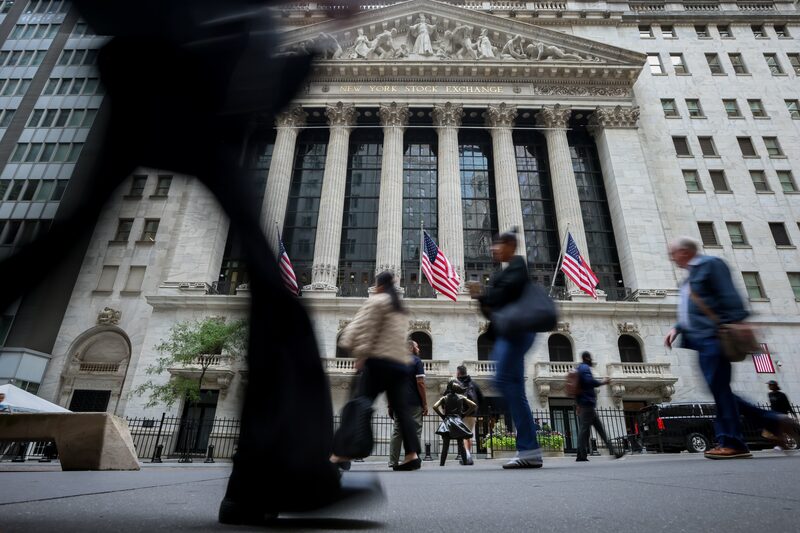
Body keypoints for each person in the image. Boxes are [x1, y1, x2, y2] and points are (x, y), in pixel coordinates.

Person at [665, 237, 800, 459]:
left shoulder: (711, 265)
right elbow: (693, 309)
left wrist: (738, 320)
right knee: (720, 391)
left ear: (685, 252)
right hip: (699, 339)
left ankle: (733, 442)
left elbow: (729, 295)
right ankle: (773, 422)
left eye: (673, 253)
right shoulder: (690, 277)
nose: (671, 258)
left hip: (715, 336)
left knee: (720, 391)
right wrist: (677, 328)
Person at [332, 271, 422, 471]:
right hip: (400, 366)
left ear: (379, 285)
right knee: (402, 411)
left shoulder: (377, 300)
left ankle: (340, 454)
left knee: (358, 405)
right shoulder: (400, 308)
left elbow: (362, 329)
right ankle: (412, 455)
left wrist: (356, 350)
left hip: (378, 363)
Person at [469, 228, 542, 469]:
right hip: (509, 333)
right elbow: (491, 309)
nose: (493, 249)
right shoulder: (503, 273)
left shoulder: (518, 267)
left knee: (502, 381)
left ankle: (529, 447)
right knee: (514, 390)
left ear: (510, 245)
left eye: (497, 244)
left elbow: (498, 300)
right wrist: (481, 297)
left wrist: (484, 295)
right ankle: (530, 450)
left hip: (518, 332)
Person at [575, 351, 623, 462]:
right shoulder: (584, 368)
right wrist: (603, 382)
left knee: (588, 430)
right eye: (590, 358)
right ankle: (614, 452)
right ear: (586, 358)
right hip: (587, 404)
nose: (591, 360)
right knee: (592, 430)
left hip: (584, 404)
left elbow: (578, 389)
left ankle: (582, 455)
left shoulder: (579, 369)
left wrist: (578, 404)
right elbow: (589, 382)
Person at [388, 340, 428, 468]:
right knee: (415, 429)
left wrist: (390, 405)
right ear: (411, 348)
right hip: (414, 402)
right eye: (417, 347)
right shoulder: (416, 361)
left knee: (397, 431)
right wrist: (425, 403)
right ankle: (411, 458)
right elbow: (420, 383)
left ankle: (392, 461)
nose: (419, 349)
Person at [433, 380, 477, 466]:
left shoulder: (445, 398)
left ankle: (442, 464)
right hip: (457, 422)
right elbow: (473, 405)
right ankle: (464, 462)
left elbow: (435, 406)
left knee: (445, 445)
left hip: (447, 422)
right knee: (461, 444)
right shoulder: (461, 397)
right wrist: (464, 414)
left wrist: (442, 415)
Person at [456, 365, 483, 465]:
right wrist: (477, 410)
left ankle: (466, 456)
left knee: (463, 436)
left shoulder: (456, 383)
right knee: (468, 436)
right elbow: (481, 398)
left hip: (461, 413)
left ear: (458, 373)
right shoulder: (473, 384)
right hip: (472, 413)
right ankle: (468, 456)